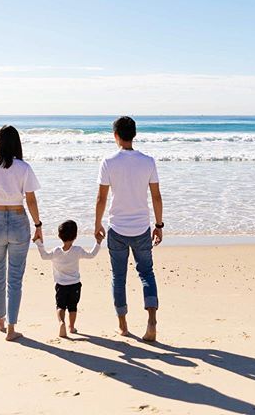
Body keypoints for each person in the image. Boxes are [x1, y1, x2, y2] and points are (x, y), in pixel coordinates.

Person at [94, 116, 164, 341]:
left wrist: (97, 224)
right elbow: (156, 197)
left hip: (117, 229)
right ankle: (152, 320)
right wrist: (159, 225)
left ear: (116, 136)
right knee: (146, 273)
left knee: (118, 276)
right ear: (134, 135)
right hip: (142, 228)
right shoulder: (148, 161)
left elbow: (101, 198)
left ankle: (123, 325)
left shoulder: (109, 162)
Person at [0, 125, 43, 341]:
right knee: (15, 278)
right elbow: (31, 200)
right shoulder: (23, 167)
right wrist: (38, 225)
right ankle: (11, 327)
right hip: (18, 220)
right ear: (17, 143)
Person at [36, 219, 102, 338]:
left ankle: (61, 322)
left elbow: (44, 256)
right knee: (73, 307)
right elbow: (91, 255)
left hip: (60, 285)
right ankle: (71, 327)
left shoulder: (56, 251)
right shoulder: (77, 250)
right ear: (75, 236)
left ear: (59, 235)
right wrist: (98, 243)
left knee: (60, 306)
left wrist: (39, 243)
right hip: (75, 285)